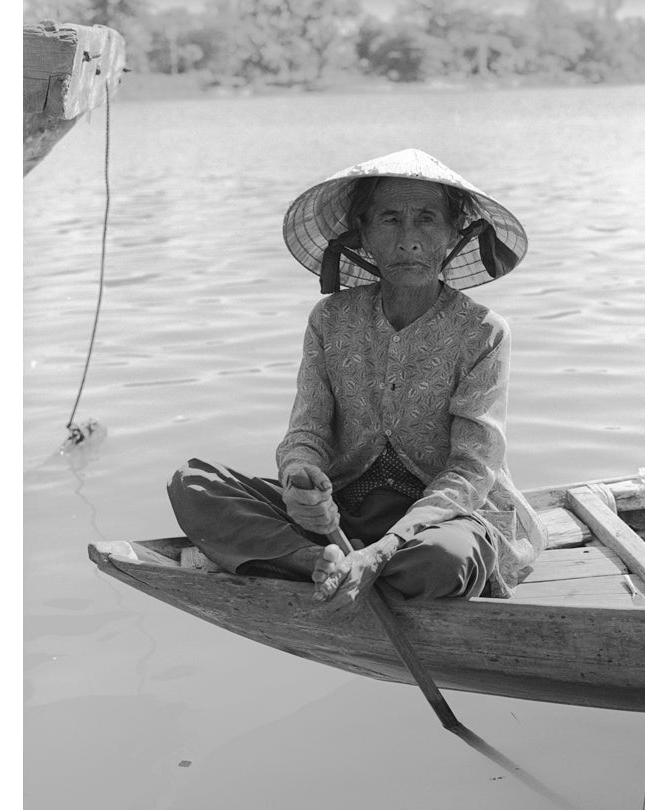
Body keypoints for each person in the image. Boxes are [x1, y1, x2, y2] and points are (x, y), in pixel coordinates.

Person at [167, 148, 546, 615]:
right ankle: (317, 559)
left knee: (443, 561)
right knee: (195, 485)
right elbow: (306, 432)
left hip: (435, 520)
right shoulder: (331, 319)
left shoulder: (483, 332)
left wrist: (382, 549)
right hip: (341, 512)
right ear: (363, 235)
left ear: (452, 235)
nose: (409, 239)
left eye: (426, 219)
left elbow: (471, 470)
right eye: (389, 219)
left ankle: (348, 564)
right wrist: (299, 478)